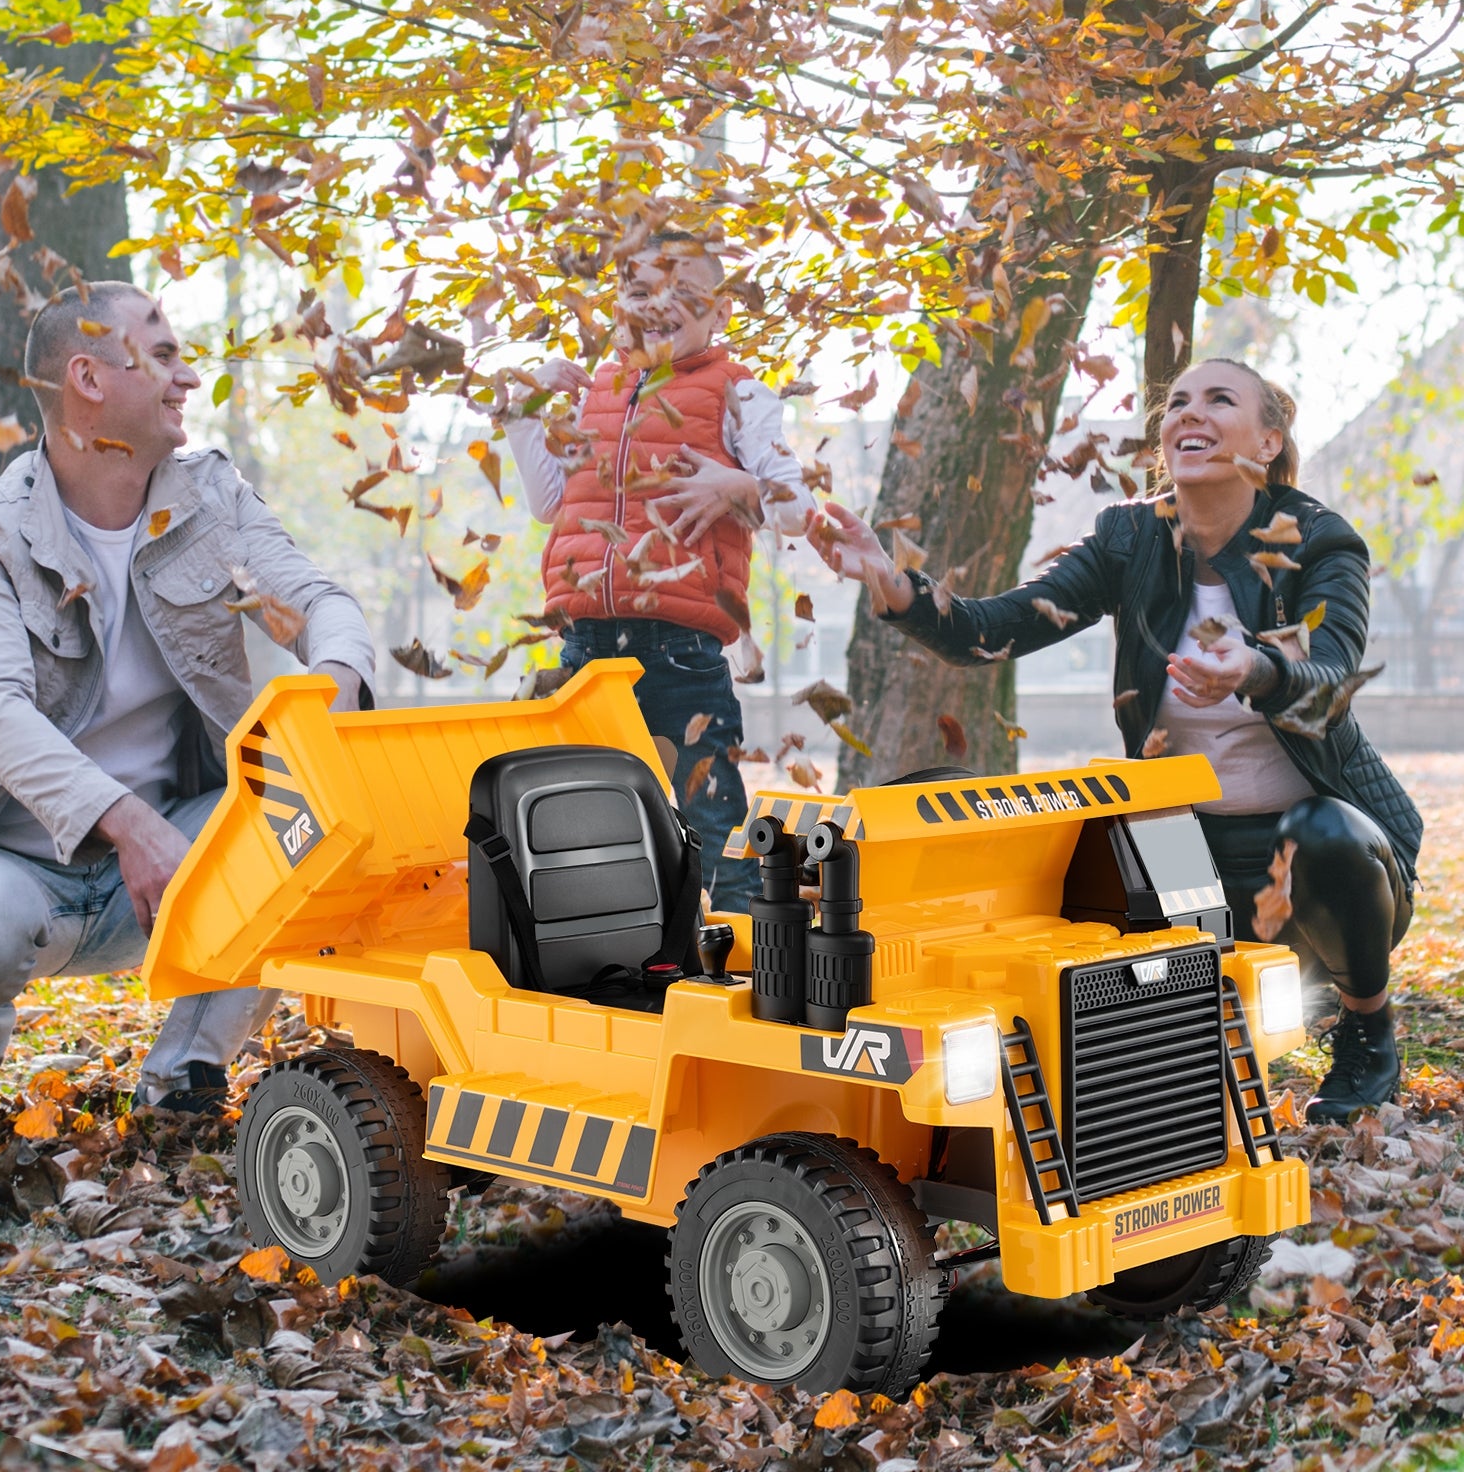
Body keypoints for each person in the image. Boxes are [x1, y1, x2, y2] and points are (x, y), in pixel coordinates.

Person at [808, 357, 1422, 1124]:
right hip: (1180, 850)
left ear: (1268, 442)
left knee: (1324, 833)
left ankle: (1367, 1031)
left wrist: (1257, 668)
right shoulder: (1132, 539)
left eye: (1219, 400)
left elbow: (1331, 678)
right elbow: (997, 628)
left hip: (1316, 868)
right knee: (1069, 867)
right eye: (1178, 405)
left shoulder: (1320, 542)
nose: (1188, 414)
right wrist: (894, 584)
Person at [0, 281, 377, 1155]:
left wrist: (331, 684)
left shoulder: (213, 503)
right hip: (7, 854)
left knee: (304, 830)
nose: (187, 379)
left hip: (174, 850)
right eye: (165, 353)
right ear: (90, 378)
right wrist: (127, 822)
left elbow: (318, 603)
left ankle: (184, 1082)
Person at [498, 230, 813, 913]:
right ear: (616, 305)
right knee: (588, 829)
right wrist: (520, 413)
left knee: (711, 823)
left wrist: (736, 486)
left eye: (683, 292)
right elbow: (550, 503)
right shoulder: (596, 391)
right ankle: (619, 969)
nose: (658, 305)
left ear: (720, 311)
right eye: (640, 291)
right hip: (584, 654)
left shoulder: (741, 394)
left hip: (681, 654)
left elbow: (796, 508)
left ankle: (739, 964)